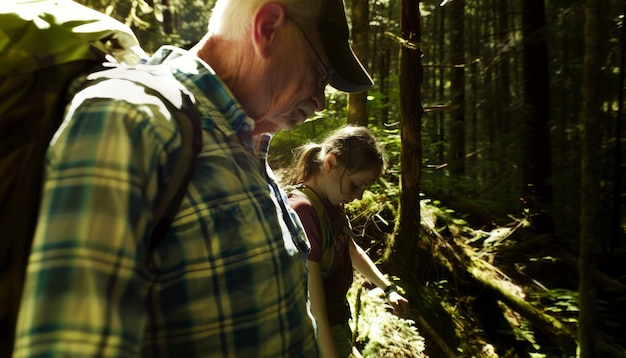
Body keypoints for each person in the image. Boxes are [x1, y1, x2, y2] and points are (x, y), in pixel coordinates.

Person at [12, 0, 374, 356]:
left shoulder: (246, 145)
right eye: (321, 73)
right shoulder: (132, 118)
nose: (322, 101)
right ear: (267, 27)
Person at [286, 125, 410, 358]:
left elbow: (349, 249)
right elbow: (314, 306)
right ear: (330, 163)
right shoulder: (303, 211)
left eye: (364, 188)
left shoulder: (331, 204)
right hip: (315, 337)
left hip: (337, 322)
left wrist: (388, 288)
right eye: (355, 185)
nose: (359, 196)